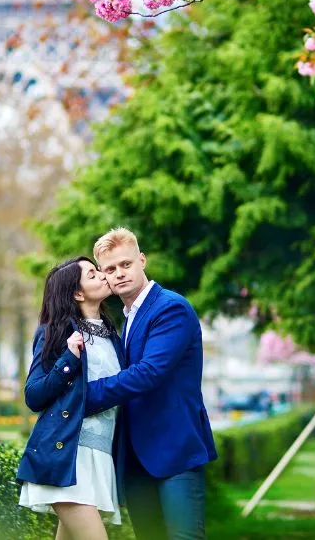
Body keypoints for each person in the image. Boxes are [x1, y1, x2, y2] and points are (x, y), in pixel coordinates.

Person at [71, 227, 217, 540]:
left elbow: (150, 372)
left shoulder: (170, 308)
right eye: (110, 269)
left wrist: (83, 396)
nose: (119, 274)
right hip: (137, 457)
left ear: (142, 260)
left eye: (126, 264)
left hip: (175, 448)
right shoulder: (127, 318)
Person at [18, 257, 124, 539]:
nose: (103, 275)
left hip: (98, 456)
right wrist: (69, 358)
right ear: (78, 293)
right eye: (92, 274)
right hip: (67, 454)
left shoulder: (112, 335)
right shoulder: (56, 331)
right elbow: (34, 395)